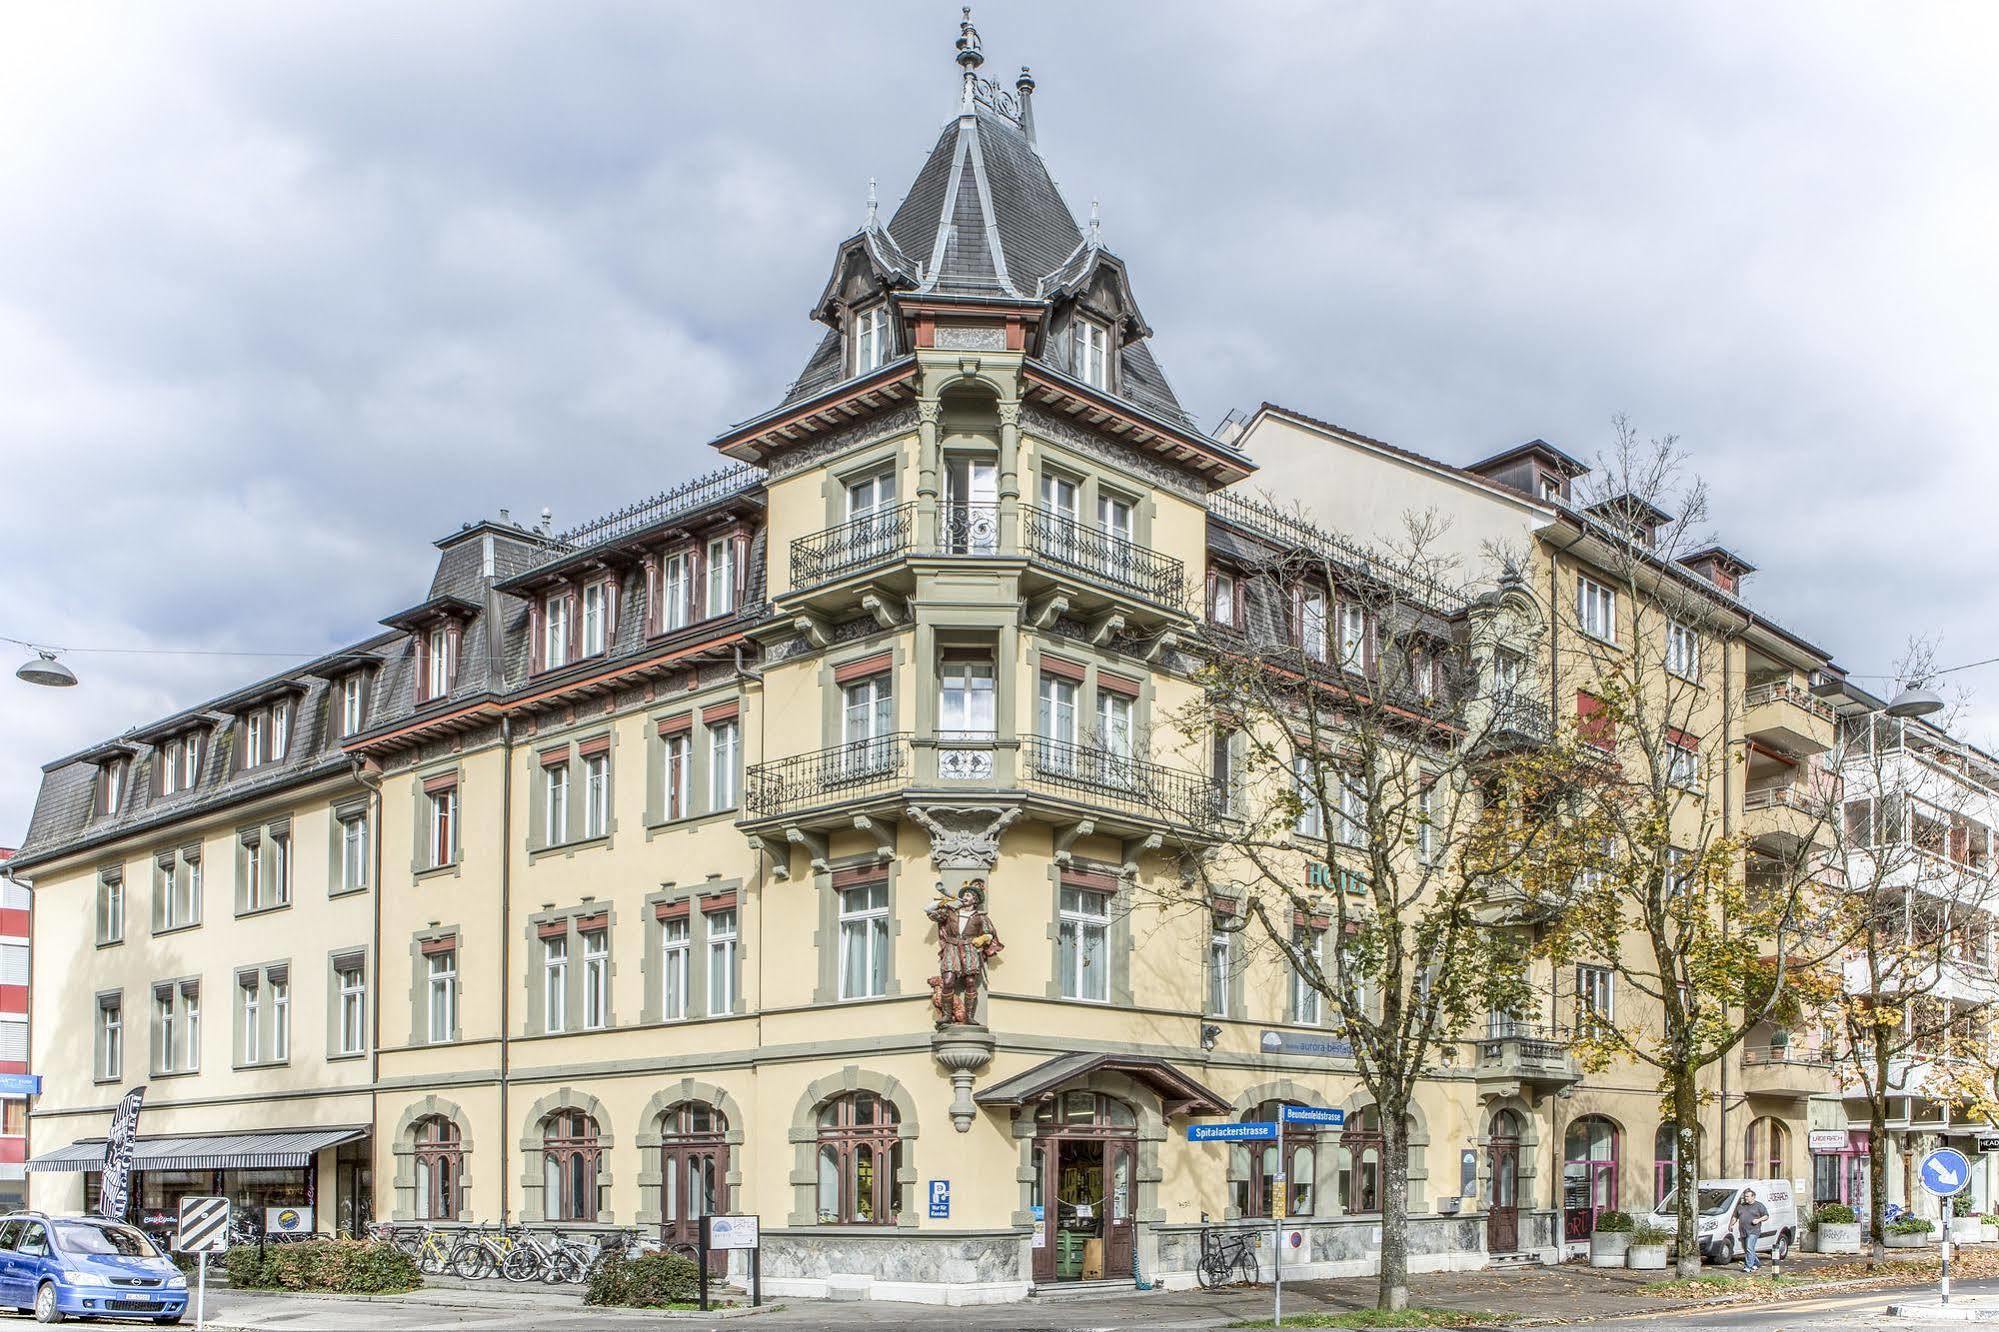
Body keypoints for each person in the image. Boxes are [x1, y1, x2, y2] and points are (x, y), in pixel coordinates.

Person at [1734, 1188, 1770, 1272]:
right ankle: (1756, 1263)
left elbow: (1766, 1216)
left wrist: (1758, 1220)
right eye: (1745, 1197)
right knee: (1746, 1249)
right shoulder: (1741, 1206)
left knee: (1749, 1247)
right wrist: (1731, 1224)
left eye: (1747, 1196)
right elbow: (1735, 1216)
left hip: (1754, 1230)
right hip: (1743, 1230)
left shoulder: (1759, 1205)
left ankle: (1748, 1267)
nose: (1746, 1198)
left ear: (1753, 1197)